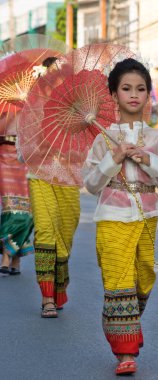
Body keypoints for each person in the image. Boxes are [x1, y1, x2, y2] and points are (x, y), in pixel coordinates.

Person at [83, 58, 158, 375]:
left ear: (148, 94)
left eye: (140, 88)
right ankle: (125, 351)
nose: (133, 94)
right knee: (118, 280)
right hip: (113, 215)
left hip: (148, 215)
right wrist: (113, 159)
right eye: (126, 88)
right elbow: (91, 184)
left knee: (144, 275)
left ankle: (125, 324)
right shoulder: (103, 138)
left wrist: (147, 158)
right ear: (113, 94)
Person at [22, 56, 81, 318]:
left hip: (69, 177)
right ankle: (47, 297)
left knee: (65, 237)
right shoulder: (32, 107)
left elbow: (86, 146)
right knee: (46, 233)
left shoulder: (79, 108)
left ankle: (58, 287)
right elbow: (24, 147)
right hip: (40, 175)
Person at [0, 134, 34, 276]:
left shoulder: (33, 112)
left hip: (26, 157)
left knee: (27, 212)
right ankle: (7, 255)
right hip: (4, 159)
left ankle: (15, 258)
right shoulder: (4, 112)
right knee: (10, 208)